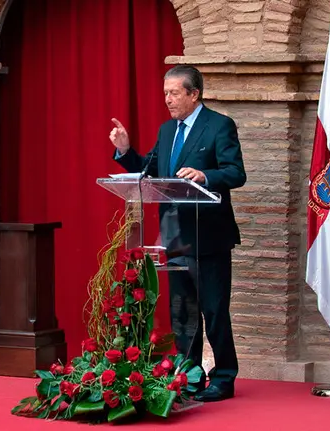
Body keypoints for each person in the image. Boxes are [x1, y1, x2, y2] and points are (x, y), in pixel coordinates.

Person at [109, 65, 246, 402]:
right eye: (165, 93)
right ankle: (189, 376)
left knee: (214, 311)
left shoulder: (219, 125)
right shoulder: (167, 129)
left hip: (209, 236)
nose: (167, 99)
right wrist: (126, 152)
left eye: (174, 93)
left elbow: (235, 172)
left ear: (194, 93)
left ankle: (224, 378)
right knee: (182, 312)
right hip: (174, 237)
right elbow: (150, 171)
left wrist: (205, 175)